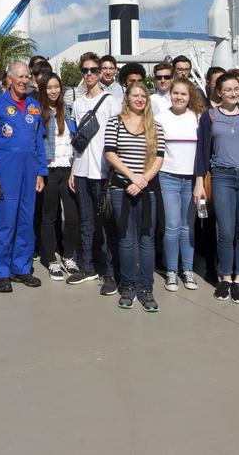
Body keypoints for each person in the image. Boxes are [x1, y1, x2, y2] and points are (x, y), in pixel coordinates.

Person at [197, 73, 239, 304]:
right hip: (222, 178)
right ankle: (225, 277)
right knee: (225, 231)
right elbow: (202, 153)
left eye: (236, 88)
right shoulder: (210, 117)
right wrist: (199, 182)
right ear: (219, 92)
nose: (233, 93)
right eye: (227, 89)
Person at [0, 61, 47, 292]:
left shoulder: (33, 106)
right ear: (9, 79)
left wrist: (41, 172)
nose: (23, 81)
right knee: (4, 221)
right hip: (5, 170)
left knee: (25, 220)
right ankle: (1, 270)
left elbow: (38, 141)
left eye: (27, 76)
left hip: (29, 171)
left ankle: (21, 267)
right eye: (19, 76)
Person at [105, 82, 166, 311]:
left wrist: (143, 180)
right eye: (135, 95)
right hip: (122, 188)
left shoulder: (155, 127)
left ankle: (146, 288)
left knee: (147, 240)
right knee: (126, 239)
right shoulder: (115, 122)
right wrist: (133, 178)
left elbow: (159, 159)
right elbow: (110, 153)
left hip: (146, 189)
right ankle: (128, 286)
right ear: (127, 98)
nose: (139, 99)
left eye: (143, 96)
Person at [70, 51, 122, 292]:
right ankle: (87, 266)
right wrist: (72, 170)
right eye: (85, 71)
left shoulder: (111, 101)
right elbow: (76, 140)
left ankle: (111, 272)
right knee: (86, 222)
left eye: (93, 70)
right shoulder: (78, 103)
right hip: (81, 170)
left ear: (101, 72)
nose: (89, 74)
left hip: (104, 171)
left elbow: (117, 137)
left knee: (109, 224)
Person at [156, 76, 203, 292]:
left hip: (191, 179)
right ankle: (172, 271)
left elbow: (203, 152)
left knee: (188, 228)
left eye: (183, 94)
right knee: (172, 226)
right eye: (175, 93)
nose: (179, 97)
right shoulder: (160, 118)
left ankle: (188, 269)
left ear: (189, 96)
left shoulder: (197, 118)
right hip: (168, 177)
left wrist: (199, 180)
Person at [37, 73, 79, 281]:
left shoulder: (68, 110)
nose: (53, 91)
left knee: (71, 217)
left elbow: (76, 141)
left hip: (67, 169)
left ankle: (68, 255)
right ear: (43, 90)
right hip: (48, 170)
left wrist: (74, 170)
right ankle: (50, 258)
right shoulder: (38, 112)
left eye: (57, 87)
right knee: (49, 217)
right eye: (49, 88)